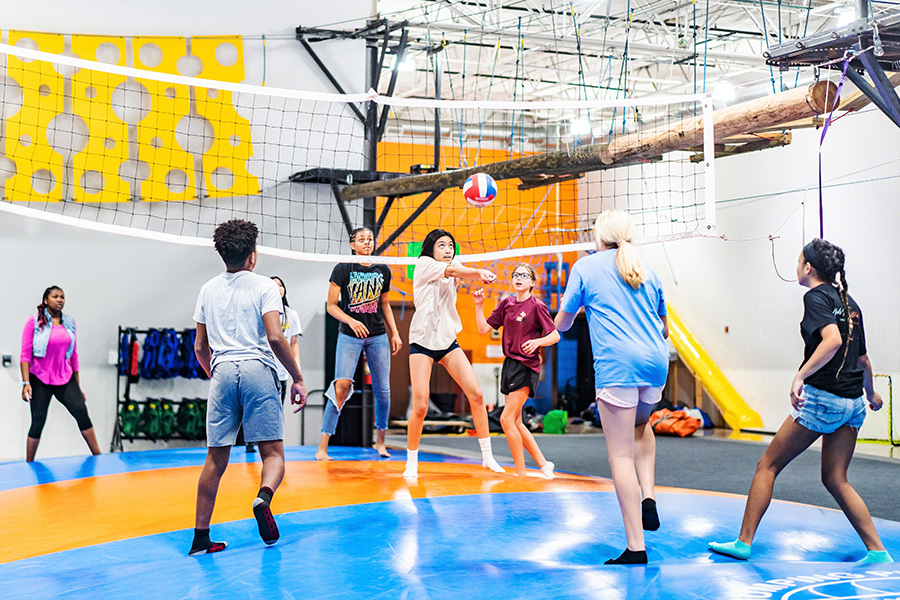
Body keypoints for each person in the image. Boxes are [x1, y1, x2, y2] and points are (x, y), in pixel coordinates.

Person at [709, 238, 892, 564]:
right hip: (852, 406)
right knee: (836, 478)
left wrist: (800, 376)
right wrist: (870, 393)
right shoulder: (851, 303)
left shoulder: (815, 297)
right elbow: (862, 359)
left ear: (808, 267)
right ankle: (877, 551)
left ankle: (743, 542)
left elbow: (833, 340)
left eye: (798, 261)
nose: (796, 266)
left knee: (767, 465)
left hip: (825, 401)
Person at [554, 209, 669, 565]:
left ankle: (636, 547)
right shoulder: (646, 267)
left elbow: (564, 320)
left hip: (619, 365)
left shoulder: (585, 268)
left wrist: (575, 314)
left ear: (597, 237)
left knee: (619, 455)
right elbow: (664, 325)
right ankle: (648, 495)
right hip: (656, 362)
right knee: (640, 425)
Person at [189, 219, 308, 556]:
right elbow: (274, 336)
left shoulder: (207, 289)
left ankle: (200, 539)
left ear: (221, 254)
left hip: (223, 369)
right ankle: (263, 497)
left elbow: (200, 346)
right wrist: (297, 377)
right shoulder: (264, 287)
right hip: (258, 369)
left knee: (215, 459)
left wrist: (216, 375)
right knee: (273, 454)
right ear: (253, 256)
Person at [404, 228, 504, 478]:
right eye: (442, 245)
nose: (448, 250)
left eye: (450, 246)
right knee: (420, 405)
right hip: (422, 342)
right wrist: (479, 272)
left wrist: (479, 283)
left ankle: (487, 456)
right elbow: (453, 271)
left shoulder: (454, 263)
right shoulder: (424, 264)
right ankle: (412, 462)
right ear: (431, 248)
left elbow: (457, 269)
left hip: (448, 341)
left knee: (477, 394)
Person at [316, 227, 402, 461]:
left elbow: (384, 304)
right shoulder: (343, 268)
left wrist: (394, 332)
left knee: (383, 390)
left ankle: (381, 442)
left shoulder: (382, 269)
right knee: (341, 387)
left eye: (370, 239)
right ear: (352, 245)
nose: (367, 243)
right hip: (349, 334)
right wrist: (351, 321)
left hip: (377, 335)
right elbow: (331, 305)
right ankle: (323, 447)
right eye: (361, 240)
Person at [473, 263, 559, 478]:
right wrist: (478, 305)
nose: (518, 278)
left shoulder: (537, 306)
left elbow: (555, 336)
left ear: (532, 283)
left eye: (524, 275)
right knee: (517, 421)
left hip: (527, 365)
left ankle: (520, 472)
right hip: (510, 364)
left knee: (506, 419)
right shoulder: (506, 304)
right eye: (516, 274)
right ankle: (543, 463)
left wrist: (537, 341)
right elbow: (483, 329)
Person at [20, 286, 101, 462]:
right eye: (55, 296)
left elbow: (74, 354)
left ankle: (99, 456)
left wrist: (78, 386)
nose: (60, 300)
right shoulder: (34, 322)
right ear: (45, 300)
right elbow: (25, 355)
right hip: (40, 378)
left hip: (65, 377)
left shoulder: (70, 322)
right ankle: (29, 463)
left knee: (81, 411)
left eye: (62, 297)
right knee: (38, 421)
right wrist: (26, 383)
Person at [239, 276, 302, 455]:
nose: (278, 288)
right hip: (263, 367)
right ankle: (250, 442)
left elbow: (294, 342)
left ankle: (275, 445)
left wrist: (296, 364)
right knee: (254, 406)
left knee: (277, 409)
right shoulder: (259, 311)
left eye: (281, 285)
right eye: (274, 286)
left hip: (282, 371)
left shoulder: (292, 314)